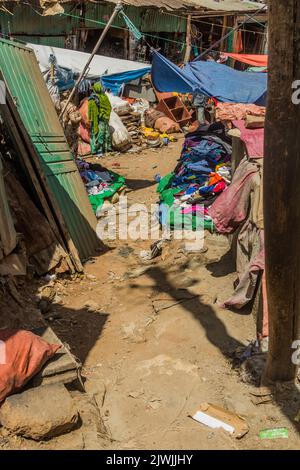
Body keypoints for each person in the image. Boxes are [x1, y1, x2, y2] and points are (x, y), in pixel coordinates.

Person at [88, 82, 112, 155]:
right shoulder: (94, 98)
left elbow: (109, 107)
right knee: (99, 134)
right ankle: (97, 150)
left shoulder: (103, 96)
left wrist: (103, 113)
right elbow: (91, 109)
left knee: (105, 134)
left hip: (103, 119)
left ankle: (106, 149)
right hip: (97, 119)